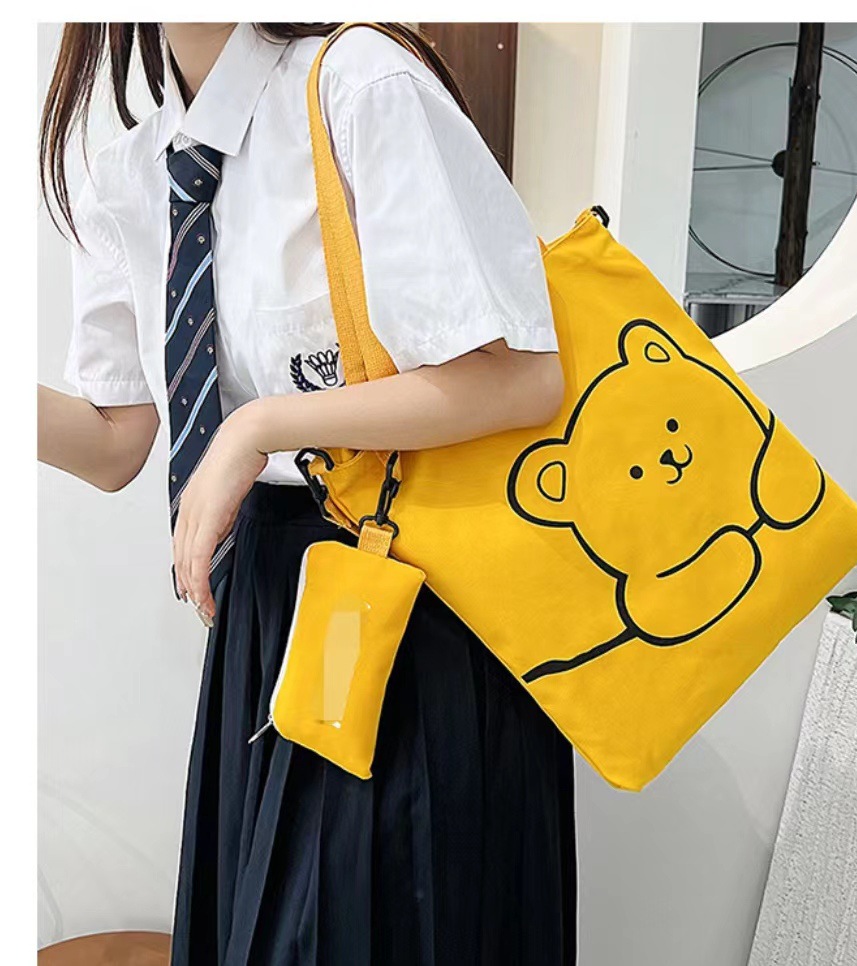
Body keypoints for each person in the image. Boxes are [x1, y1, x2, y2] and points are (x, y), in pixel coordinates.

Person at [38, 22, 576, 965]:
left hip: (413, 604)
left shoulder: (358, 85)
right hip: (268, 612)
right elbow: (117, 440)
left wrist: (258, 427)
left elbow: (521, 378)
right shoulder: (125, 166)